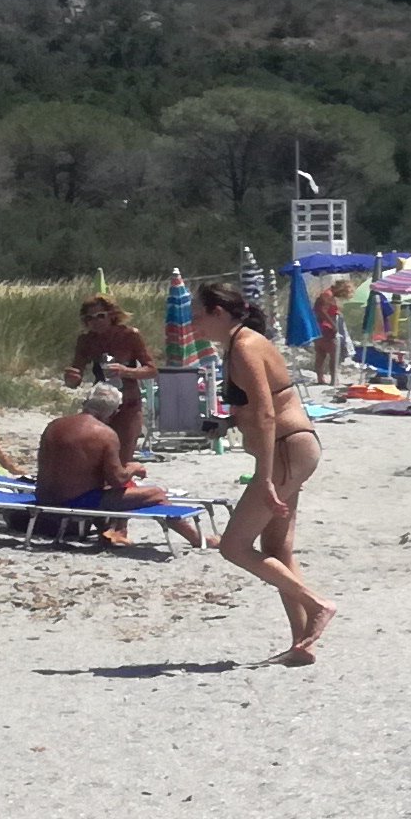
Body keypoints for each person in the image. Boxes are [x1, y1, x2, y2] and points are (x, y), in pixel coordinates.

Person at [190, 277, 336, 661]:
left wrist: (267, 477)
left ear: (218, 313)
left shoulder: (245, 346)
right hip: (291, 449)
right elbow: (260, 407)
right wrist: (229, 423)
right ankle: (302, 644)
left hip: (286, 449)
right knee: (277, 549)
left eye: (198, 318)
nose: (194, 327)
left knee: (234, 546)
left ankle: (317, 604)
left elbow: (269, 412)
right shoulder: (236, 345)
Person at [29, 384, 165, 539]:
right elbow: (117, 480)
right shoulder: (105, 434)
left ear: (85, 402)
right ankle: (196, 541)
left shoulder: (54, 425)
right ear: (113, 412)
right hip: (73, 501)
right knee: (156, 493)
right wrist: (134, 468)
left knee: (116, 490)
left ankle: (112, 532)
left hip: (44, 496)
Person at [69, 294, 156, 428]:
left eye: (100, 316)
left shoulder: (130, 335)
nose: (95, 321)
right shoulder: (86, 340)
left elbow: (152, 370)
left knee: (124, 447)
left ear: (112, 315)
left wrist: (126, 371)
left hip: (128, 401)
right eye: (89, 318)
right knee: (94, 446)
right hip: (99, 402)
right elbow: (76, 376)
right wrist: (72, 378)